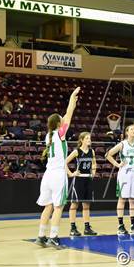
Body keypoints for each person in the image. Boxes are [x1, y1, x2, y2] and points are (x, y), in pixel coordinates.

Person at [34, 87, 80, 249]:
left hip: (47, 175)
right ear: (59, 123)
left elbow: (66, 115)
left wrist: (72, 102)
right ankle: (53, 237)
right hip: (58, 175)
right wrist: (72, 98)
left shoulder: (48, 136)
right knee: (59, 207)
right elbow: (69, 114)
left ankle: (41, 236)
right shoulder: (59, 134)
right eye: (62, 119)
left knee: (48, 206)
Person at [106, 124, 134, 235]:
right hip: (124, 174)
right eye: (132, 129)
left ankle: (133, 225)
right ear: (127, 132)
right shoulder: (122, 144)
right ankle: (121, 225)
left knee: (133, 200)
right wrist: (117, 164)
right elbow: (108, 155)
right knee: (122, 199)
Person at [66, 132, 97, 236]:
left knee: (86, 205)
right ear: (82, 140)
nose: (89, 140)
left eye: (90, 138)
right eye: (87, 138)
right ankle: (73, 227)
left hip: (88, 180)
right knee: (74, 204)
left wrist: (93, 171)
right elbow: (64, 162)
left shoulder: (92, 151)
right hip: (78, 180)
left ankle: (87, 227)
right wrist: (71, 173)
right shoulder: (76, 152)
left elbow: (93, 163)